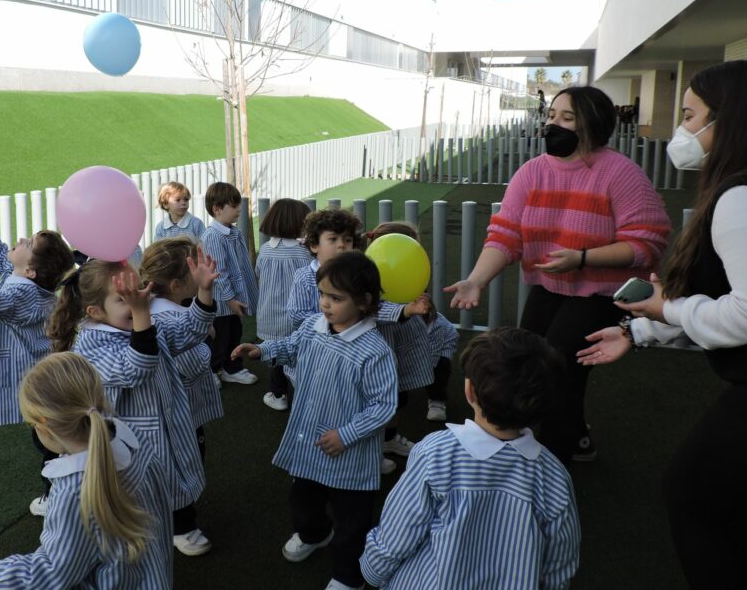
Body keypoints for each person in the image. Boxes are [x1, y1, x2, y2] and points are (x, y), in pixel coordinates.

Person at [576, 61, 747, 589]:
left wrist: (664, 311)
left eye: (689, 115)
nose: (681, 128)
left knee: (690, 494)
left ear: (728, 120)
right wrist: (641, 329)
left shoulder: (741, 197)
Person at [445, 85, 671, 465]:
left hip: (603, 292)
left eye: (567, 119)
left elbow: (646, 244)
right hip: (552, 285)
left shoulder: (620, 173)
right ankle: (575, 437)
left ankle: (552, 457)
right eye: (551, 116)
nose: (554, 125)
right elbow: (505, 234)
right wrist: (476, 280)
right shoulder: (532, 172)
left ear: (592, 127)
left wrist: (582, 258)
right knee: (528, 359)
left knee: (558, 363)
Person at [360, 327, 579, 590]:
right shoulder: (554, 476)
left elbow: (399, 531)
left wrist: (373, 570)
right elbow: (559, 563)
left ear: (470, 391)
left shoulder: (435, 454)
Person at [232, 251, 398, 590]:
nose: (325, 303)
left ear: (365, 302)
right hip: (309, 444)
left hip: (349, 456)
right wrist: (263, 351)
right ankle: (315, 533)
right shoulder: (313, 325)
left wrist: (347, 434)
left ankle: (348, 576)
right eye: (322, 294)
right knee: (303, 500)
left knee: (352, 522)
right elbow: (292, 346)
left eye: (336, 298)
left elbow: (384, 405)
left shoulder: (374, 350)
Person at [0, 351, 172, 589]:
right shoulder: (133, 439)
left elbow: (54, 572)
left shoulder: (74, 492)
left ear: (45, 425)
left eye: (32, 424)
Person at [47, 259, 213, 561]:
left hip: (169, 427)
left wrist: (203, 292)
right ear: (95, 312)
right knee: (142, 501)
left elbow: (191, 331)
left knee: (174, 484)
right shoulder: (92, 347)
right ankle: (141, 543)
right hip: (136, 446)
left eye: (138, 289)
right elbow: (136, 368)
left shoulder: (148, 321)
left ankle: (179, 526)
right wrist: (140, 314)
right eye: (123, 298)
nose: (137, 299)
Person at [0, 199, 75, 515]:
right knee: (47, 432)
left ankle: (58, 494)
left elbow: (6, 303)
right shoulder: (24, 277)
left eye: (29, 243)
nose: (21, 240)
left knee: (47, 438)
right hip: (39, 374)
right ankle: (64, 478)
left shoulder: (25, 294)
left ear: (31, 270)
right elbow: (1, 257)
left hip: (33, 376)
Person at [291, 209, 429, 474]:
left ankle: (372, 452)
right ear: (313, 245)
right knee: (325, 409)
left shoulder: (360, 276)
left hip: (357, 357)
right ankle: (309, 458)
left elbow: (377, 306)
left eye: (348, 240)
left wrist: (405, 310)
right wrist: (329, 318)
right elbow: (297, 316)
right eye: (333, 239)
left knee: (363, 407)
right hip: (322, 358)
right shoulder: (302, 278)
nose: (342, 245)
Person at [139, 238, 222, 557]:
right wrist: (205, 342)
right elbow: (191, 363)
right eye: (193, 269)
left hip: (182, 410)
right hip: (177, 414)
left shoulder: (169, 310)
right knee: (181, 464)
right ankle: (182, 528)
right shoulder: (164, 318)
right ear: (176, 284)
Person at [367, 222, 458, 432]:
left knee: (437, 362)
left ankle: (437, 398)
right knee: (393, 386)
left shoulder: (409, 273)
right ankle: (387, 434)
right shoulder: (370, 278)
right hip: (396, 335)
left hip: (425, 332)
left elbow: (420, 300)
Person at [255, 198, 313, 411]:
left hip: (269, 317)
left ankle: (278, 394)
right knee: (298, 357)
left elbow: (258, 275)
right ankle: (303, 394)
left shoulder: (265, 251)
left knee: (278, 356)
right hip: (296, 316)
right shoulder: (303, 253)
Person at [200, 181, 259, 385]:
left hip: (235, 299)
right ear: (217, 209)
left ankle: (230, 367)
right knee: (222, 335)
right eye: (234, 206)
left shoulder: (234, 232)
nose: (239, 210)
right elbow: (219, 272)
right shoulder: (214, 237)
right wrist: (230, 299)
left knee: (235, 332)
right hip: (223, 303)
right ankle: (215, 370)